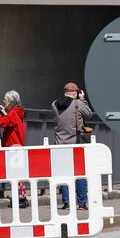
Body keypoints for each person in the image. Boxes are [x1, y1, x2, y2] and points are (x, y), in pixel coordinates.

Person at [52, 82, 94, 210]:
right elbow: (89, 115)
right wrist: (83, 100)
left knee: (64, 173)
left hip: (60, 143)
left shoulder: (54, 104)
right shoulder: (78, 104)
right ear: (75, 92)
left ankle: (67, 201)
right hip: (76, 144)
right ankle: (81, 203)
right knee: (80, 174)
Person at [0, 90, 28, 208]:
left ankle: (21, 200)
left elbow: (3, 123)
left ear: (11, 101)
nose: (3, 101)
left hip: (13, 146)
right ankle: (22, 197)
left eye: (5, 99)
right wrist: (3, 111)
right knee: (18, 174)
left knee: (15, 174)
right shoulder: (17, 112)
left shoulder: (13, 113)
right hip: (17, 145)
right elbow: (10, 122)